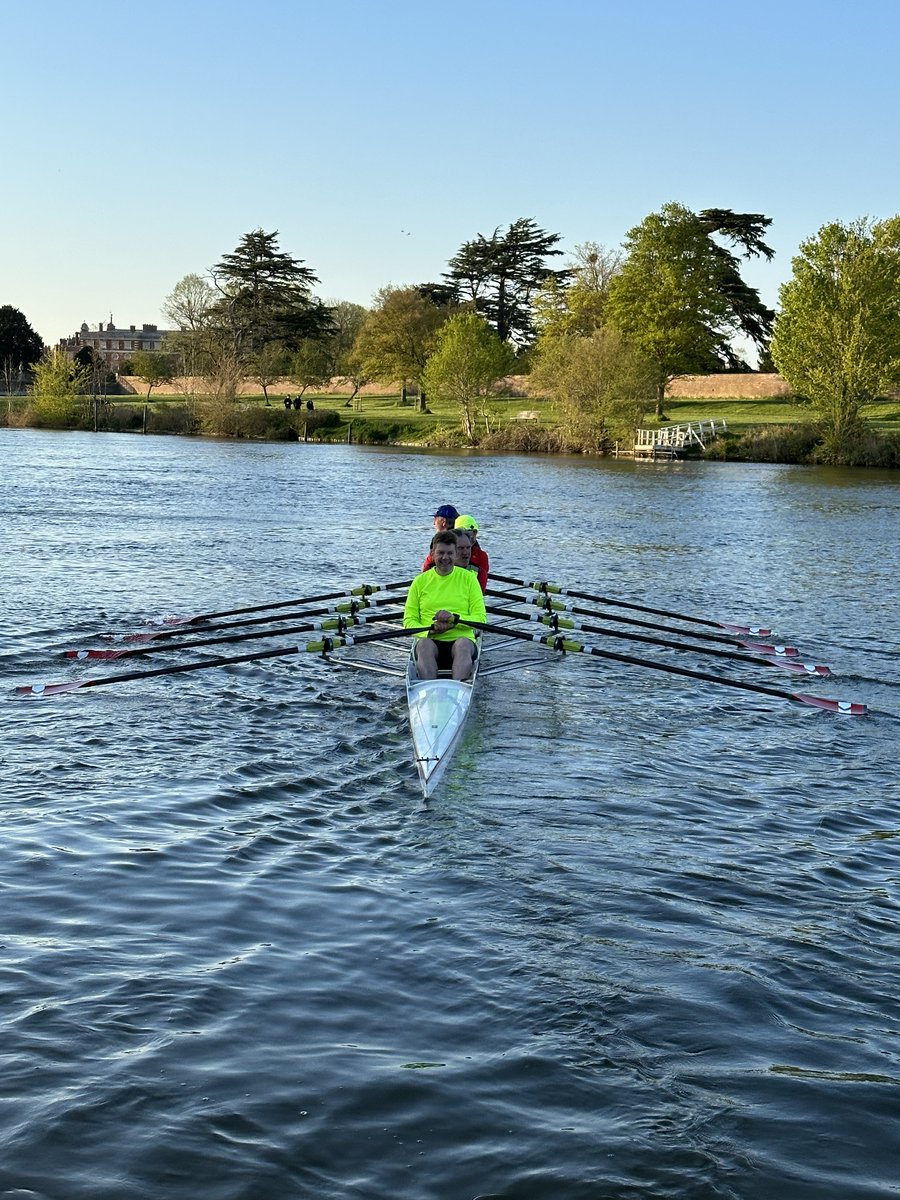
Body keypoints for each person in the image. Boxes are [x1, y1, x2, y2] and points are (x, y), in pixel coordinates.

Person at [404, 529, 486, 680]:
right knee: (423, 645)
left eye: (450, 553)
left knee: (462, 644)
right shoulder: (419, 582)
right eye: (440, 553)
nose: (445, 557)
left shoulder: (469, 579)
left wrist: (454, 620)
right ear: (433, 553)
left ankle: (458, 690)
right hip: (431, 641)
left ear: (455, 554)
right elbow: (409, 622)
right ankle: (429, 691)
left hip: (462, 642)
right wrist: (430, 630)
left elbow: (480, 619)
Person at [455, 515, 489, 592]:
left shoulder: (481, 556)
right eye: (469, 533)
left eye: (475, 533)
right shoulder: (442, 553)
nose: (473, 537)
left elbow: (480, 589)